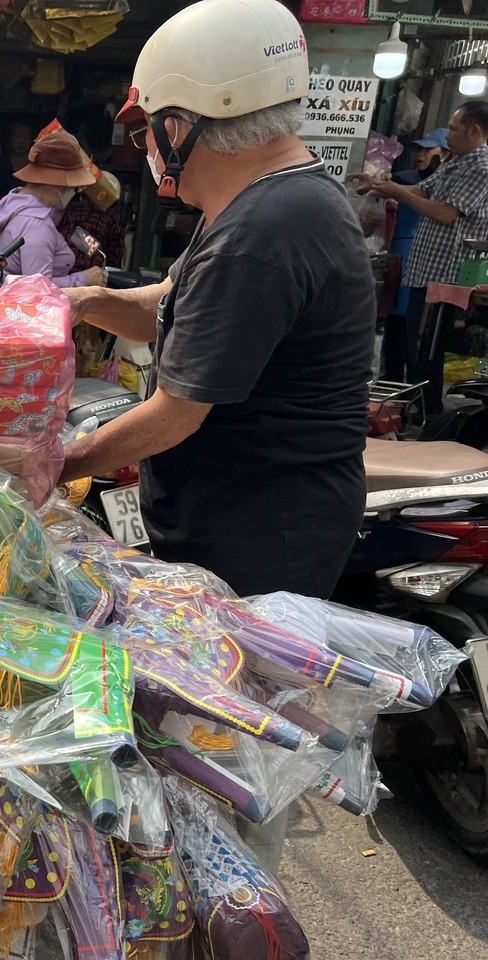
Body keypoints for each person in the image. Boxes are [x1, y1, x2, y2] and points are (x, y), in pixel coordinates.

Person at [58, 0, 376, 871]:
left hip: (257, 535)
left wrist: (56, 462)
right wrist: (81, 301)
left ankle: (239, 902)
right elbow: (177, 308)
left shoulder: (264, 231)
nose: (149, 154)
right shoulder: (280, 200)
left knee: (232, 753)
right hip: (262, 515)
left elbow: (176, 411)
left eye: (150, 132)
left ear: (184, 122)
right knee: (217, 735)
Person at [361, 106, 488, 410]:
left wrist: (398, 193)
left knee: (428, 351)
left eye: (453, 128)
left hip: (447, 277)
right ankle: (418, 412)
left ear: (474, 131)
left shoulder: (481, 168)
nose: (448, 135)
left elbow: (446, 213)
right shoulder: (456, 163)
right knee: (416, 350)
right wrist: (382, 186)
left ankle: (428, 418)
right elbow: (422, 189)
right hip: (425, 272)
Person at [0, 129, 107, 289]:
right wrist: (83, 279)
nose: (70, 193)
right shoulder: (37, 226)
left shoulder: (15, 203)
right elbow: (37, 288)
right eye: (71, 188)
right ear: (57, 184)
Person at [378, 128, 450, 379]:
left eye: (428, 150)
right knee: (393, 322)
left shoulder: (445, 185)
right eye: (419, 149)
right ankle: (393, 380)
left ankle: (415, 387)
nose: (420, 155)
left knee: (415, 326)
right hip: (399, 253)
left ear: (445, 154)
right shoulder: (405, 178)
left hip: (425, 259)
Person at [60, 170, 126, 271]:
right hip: (93, 273)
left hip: (61, 267)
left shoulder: (71, 207)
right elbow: (115, 254)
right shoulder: (112, 216)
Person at [0, 123, 34, 203]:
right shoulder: (3, 165)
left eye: (26, 137)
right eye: (18, 137)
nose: (21, 141)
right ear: (11, 140)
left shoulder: (36, 165)